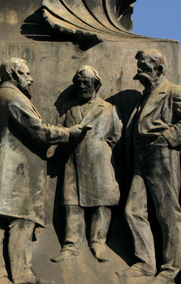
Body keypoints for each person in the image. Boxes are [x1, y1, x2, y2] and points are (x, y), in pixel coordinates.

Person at [0, 57, 89, 284]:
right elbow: (39, 131)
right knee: (22, 221)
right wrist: (69, 133)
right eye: (26, 74)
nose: (31, 78)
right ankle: (22, 273)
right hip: (18, 169)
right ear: (14, 74)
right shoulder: (14, 98)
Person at [117, 49, 181, 284]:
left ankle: (171, 270)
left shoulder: (175, 92)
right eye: (138, 64)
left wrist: (168, 138)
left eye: (144, 64)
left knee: (168, 212)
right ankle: (146, 262)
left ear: (158, 68)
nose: (139, 69)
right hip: (141, 157)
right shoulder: (142, 99)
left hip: (163, 154)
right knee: (133, 210)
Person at [51, 65, 121, 263]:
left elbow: (116, 137)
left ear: (96, 84)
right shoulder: (68, 109)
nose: (82, 86)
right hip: (73, 162)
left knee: (102, 203)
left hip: (100, 163)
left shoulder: (108, 109)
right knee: (72, 204)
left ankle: (98, 242)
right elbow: (59, 132)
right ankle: (71, 244)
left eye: (86, 82)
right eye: (79, 83)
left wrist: (101, 150)